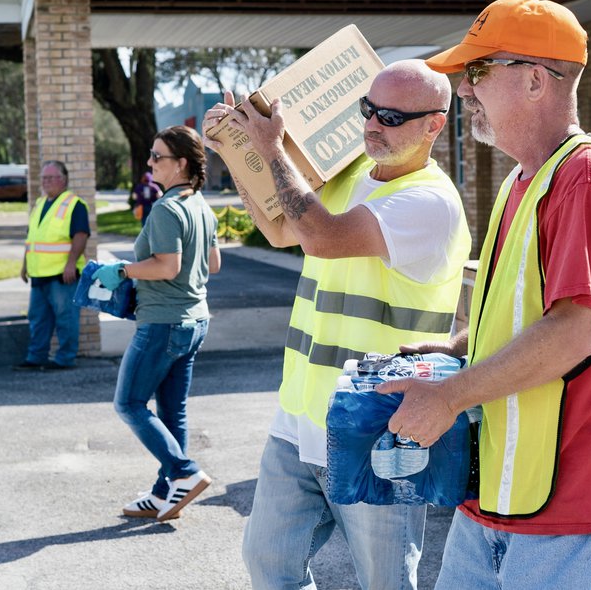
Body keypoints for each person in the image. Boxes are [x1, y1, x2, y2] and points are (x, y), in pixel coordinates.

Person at [377, 0, 591, 590]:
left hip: (570, 505)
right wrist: (454, 350)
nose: (463, 91)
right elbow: (521, 313)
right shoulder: (522, 179)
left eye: (478, 73)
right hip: (503, 493)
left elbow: (573, 329)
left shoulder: (587, 175)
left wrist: (449, 396)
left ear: (536, 79)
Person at [201, 59, 471, 590]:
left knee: (385, 581)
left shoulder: (429, 203)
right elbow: (282, 230)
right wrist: (235, 150)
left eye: (391, 117)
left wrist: (271, 148)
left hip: (377, 429)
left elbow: (320, 236)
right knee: (267, 564)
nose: (373, 124)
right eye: (368, 110)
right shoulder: (351, 175)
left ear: (434, 125)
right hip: (299, 418)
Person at [93, 125, 221, 522]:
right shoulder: (200, 204)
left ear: (181, 163)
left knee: (129, 403)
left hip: (163, 324)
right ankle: (166, 493)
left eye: (157, 156)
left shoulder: (167, 207)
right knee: (172, 413)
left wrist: (123, 271)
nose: (149, 162)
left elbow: (168, 265)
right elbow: (213, 264)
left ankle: (184, 472)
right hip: (195, 320)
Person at [15, 160, 90, 371]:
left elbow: (81, 236)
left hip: (62, 275)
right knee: (38, 319)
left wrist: (71, 264)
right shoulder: (39, 204)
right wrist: (24, 265)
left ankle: (65, 359)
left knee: (66, 319)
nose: (45, 182)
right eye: (43, 178)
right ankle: (36, 357)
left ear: (63, 180)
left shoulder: (75, 204)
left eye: (50, 178)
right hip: (39, 274)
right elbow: (31, 239)